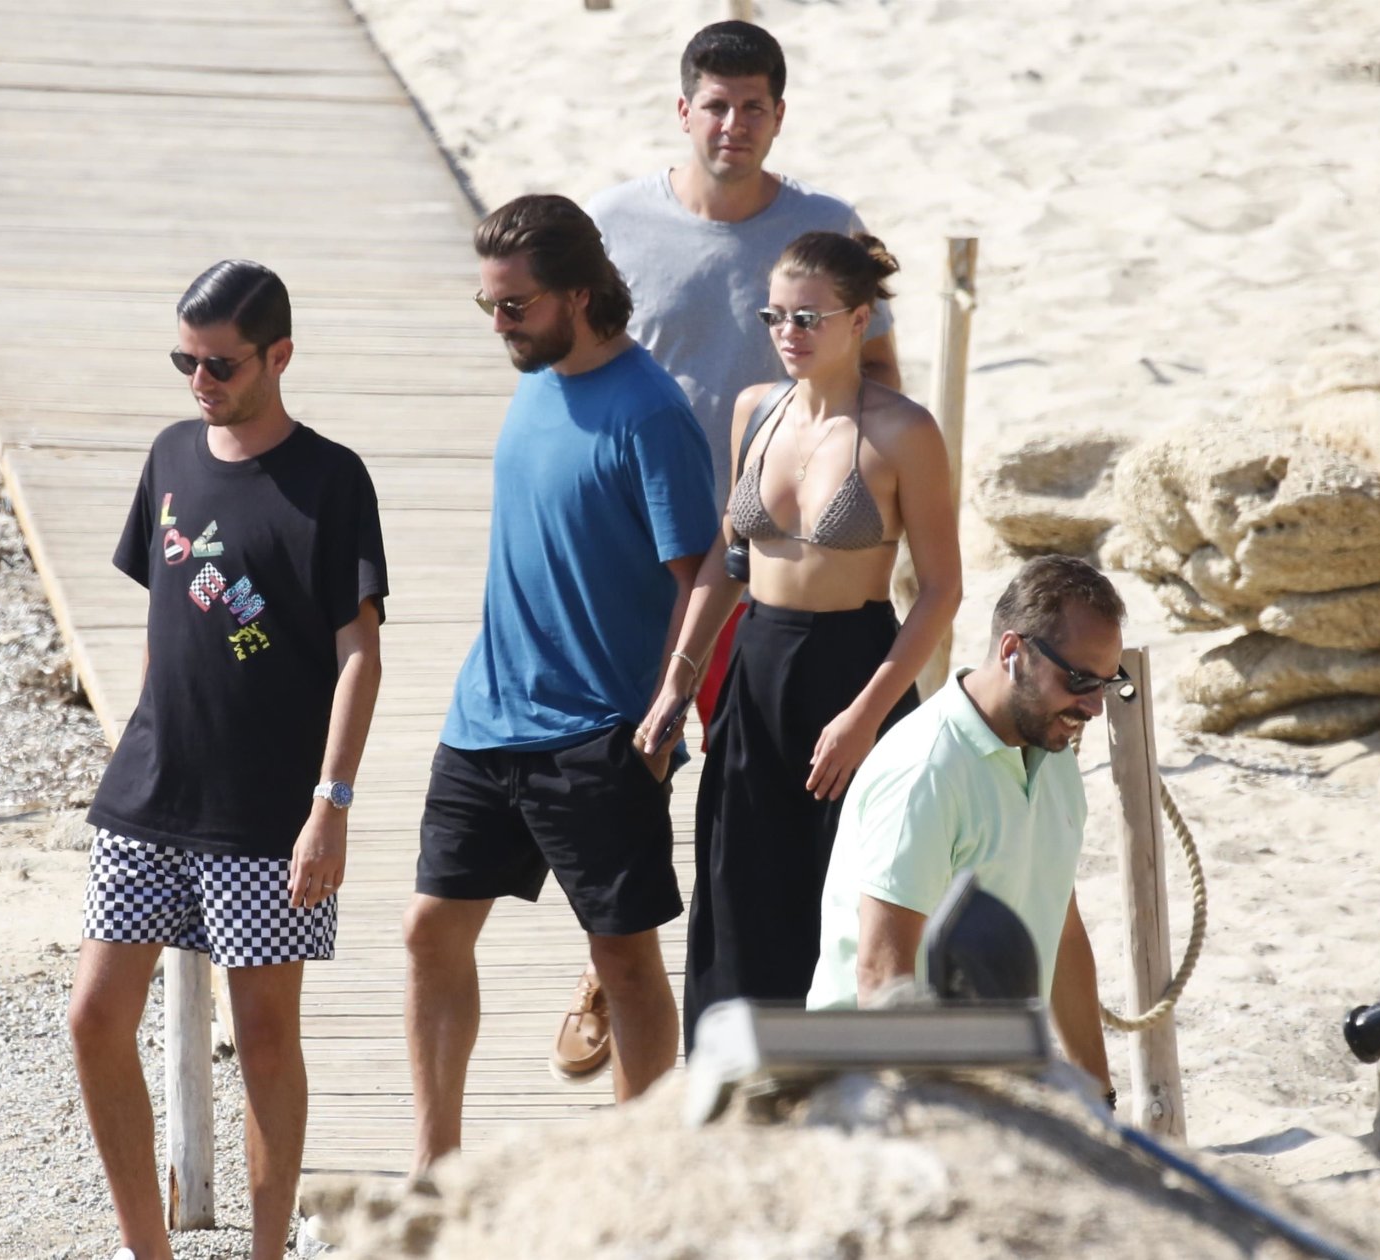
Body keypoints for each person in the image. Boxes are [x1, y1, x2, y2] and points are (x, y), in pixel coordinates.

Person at [554, 18, 904, 1078]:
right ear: (683, 109)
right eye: (715, 104)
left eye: (754, 107)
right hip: (635, 548)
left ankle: (776, 1016)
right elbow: (571, 372)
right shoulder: (615, 223)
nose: (733, 124)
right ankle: (609, 970)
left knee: (736, 795)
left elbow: (881, 377)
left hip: (770, 555)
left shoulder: (823, 228)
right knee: (621, 766)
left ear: (779, 116)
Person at [68, 260, 388, 1260]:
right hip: (150, 792)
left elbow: (361, 654)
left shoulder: (332, 480)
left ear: (278, 356)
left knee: (265, 1042)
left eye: (219, 365)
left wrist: (330, 805)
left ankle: (267, 1252)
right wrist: (143, 732)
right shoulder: (170, 455)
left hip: (267, 813)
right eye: (184, 363)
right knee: (93, 1020)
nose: (199, 382)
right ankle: (147, 1250)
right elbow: (165, 626)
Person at [402, 194, 718, 1172]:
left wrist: (670, 702)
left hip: (597, 731)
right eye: (489, 304)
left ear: (578, 294)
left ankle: (638, 1171)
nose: (499, 322)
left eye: (515, 305)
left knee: (624, 960)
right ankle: (436, 1170)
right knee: (429, 933)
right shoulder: (535, 380)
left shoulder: (651, 411)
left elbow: (703, 571)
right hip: (485, 714)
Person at [634, 231, 961, 1052]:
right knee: (737, 890)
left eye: (808, 317)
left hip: (855, 668)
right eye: (775, 315)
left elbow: (940, 591)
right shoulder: (757, 409)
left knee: (849, 898)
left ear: (859, 320)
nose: (788, 332)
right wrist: (678, 680)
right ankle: (734, 1084)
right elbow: (729, 558)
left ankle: (848, 1083)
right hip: (754, 670)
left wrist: (865, 717)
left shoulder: (903, 431)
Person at [806, 555, 1121, 1104]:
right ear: (1013, 652)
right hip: (877, 1092)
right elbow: (882, 978)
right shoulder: (926, 772)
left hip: (986, 1082)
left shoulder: (1051, 748)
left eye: (1108, 683)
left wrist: (1100, 1101)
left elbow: (1062, 931)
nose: (1094, 706)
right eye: (1080, 680)